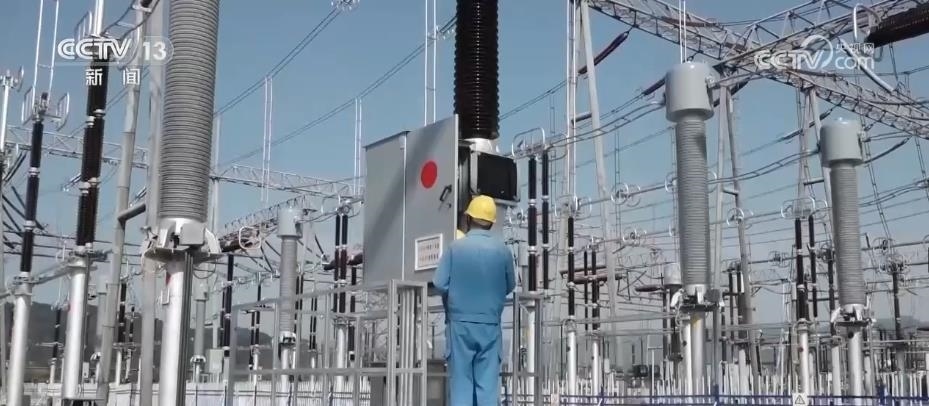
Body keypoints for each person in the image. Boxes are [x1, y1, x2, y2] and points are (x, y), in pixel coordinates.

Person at [433, 195, 515, 406]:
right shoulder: (503, 252)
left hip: (460, 326)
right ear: (491, 223)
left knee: (461, 386)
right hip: (490, 326)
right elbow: (510, 285)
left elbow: (439, 283)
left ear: (468, 219)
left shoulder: (454, 248)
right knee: (487, 388)